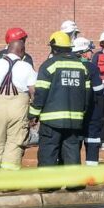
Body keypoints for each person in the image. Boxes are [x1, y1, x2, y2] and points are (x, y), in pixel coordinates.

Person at [29, 32, 90, 182]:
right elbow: (87, 95)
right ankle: (74, 182)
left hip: (51, 119)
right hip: (74, 120)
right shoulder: (82, 66)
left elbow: (40, 93)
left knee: (49, 150)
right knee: (72, 150)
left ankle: (48, 183)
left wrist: (33, 114)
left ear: (54, 48)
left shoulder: (49, 65)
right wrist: (82, 113)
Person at [0, 40, 37, 172]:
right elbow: (33, 91)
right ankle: (7, 180)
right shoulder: (26, 67)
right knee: (15, 143)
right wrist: (34, 112)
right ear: (22, 51)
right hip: (19, 107)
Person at [73, 37, 104, 166]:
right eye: (90, 50)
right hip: (92, 110)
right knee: (92, 140)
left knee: (74, 141)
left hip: (74, 111)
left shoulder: (71, 66)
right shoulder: (91, 67)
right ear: (83, 52)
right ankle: (91, 173)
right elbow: (98, 90)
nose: (92, 53)